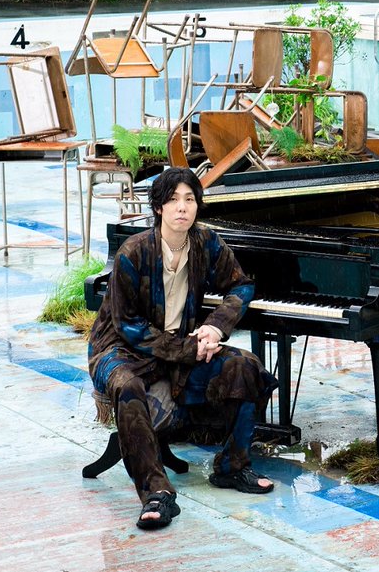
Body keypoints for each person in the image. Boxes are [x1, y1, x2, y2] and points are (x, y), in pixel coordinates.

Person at [88, 167, 276, 530]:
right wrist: (189, 349)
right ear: (159, 207)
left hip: (180, 344)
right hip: (121, 349)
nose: (182, 207)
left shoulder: (206, 242)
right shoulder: (134, 252)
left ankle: (232, 466)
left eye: (189, 199)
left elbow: (242, 285)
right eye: (173, 199)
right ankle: (156, 493)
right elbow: (129, 326)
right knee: (128, 387)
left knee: (245, 365)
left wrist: (215, 326)